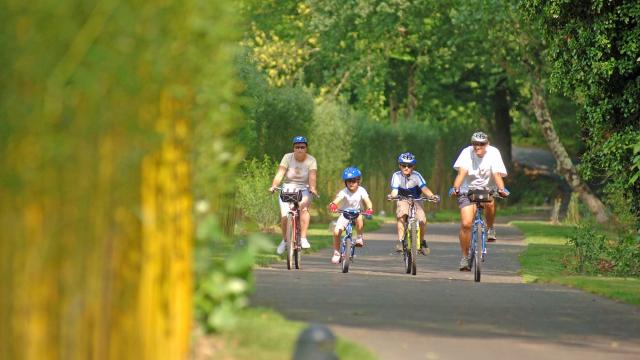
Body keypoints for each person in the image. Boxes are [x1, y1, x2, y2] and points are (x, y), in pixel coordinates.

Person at [449, 131, 509, 271]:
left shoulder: (494, 153)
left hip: (487, 188)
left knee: (490, 202)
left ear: (487, 144)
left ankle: (490, 228)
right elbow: (462, 173)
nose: (478, 147)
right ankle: (464, 257)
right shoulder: (466, 153)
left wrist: (502, 189)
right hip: (467, 189)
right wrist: (455, 188)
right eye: (475, 143)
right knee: (466, 224)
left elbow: (496, 174)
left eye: (481, 144)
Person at [269, 136, 318, 254]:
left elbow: (312, 177)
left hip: (304, 189)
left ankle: (303, 238)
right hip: (287, 187)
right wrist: (274, 185)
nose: (299, 149)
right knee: (285, 215)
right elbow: (280, 173)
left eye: (302, 147)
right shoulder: (287, 157)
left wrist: (312, 188)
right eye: (297, 147)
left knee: (304, 209)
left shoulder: (311, 160)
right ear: (293, 148)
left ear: (306, 148)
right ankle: (285, 241)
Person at [387, 152, 439, 255]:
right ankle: (401, 241)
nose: (406, 168)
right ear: (399, 165)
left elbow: (424, 188)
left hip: (416, 200)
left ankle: (422, 242)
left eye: (409, 166)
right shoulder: (396, 176)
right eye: (403, 165)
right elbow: (395, 190)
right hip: (402, 199)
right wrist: (392, 196)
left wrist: (432, 196)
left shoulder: (417, 176)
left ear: (413, 166)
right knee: (401, 216)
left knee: (423, 220)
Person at [328, 167, 374, 264]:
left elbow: (368, 201)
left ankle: (359, 237)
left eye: (353, 181)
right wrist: (333, 205)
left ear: (358, 181)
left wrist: (369, 209)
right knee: (336, 232)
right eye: (348, 181)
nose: (351, 183)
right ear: (345, 182)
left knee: (359, 218)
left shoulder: (362, 191)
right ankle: (336, 252)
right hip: (345, 214)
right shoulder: (343, 192)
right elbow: (336, 201)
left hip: (357, 213)